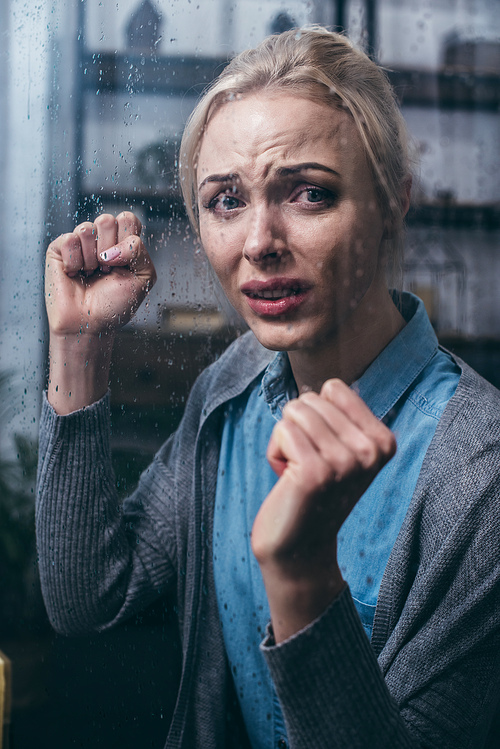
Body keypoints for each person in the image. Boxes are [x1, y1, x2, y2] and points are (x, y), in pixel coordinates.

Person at [36, 27, 500, 749]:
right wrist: (80, 346)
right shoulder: (232, 387)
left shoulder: (481, 475)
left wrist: (304, 579)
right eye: (226, 201)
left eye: (310, 192)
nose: (259, 240)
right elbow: (91, 599)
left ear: (392, 203)